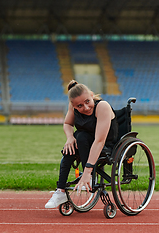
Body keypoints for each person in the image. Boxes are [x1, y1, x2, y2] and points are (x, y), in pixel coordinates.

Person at [45, 80, 118, 208]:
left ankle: (88, 177)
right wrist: (69, 138)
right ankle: (60, 191)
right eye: (79, 106)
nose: (85, 107)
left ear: (91, 95)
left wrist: (87, 172)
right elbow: (67, 124)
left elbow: (99, 141)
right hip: (85, 142)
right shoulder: (73, 108)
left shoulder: (102, 106)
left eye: (87, 102)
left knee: (82, 137)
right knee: (72, 145)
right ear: (73, 106)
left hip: (106, 144)